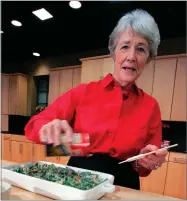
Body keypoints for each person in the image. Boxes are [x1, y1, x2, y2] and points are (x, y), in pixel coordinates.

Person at [25, 8, 168, 190]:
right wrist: (50, 131)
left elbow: (143, 167)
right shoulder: (83, 92)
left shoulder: (151, 106)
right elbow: (34, 128)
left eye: (141, 49)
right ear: (114, 52)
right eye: (125, 46)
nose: (131, 56)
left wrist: (146, 161)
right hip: (77, 178)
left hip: (123, 185)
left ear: (148, 59)